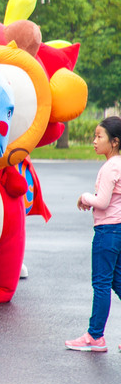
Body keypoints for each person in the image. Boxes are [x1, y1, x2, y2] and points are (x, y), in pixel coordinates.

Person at [66, 116, 121, 352]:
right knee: (117, 281)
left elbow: (103, 201)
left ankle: (95, 336)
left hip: (107, 231)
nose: (94, 141)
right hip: (117, 230)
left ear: (115, 142)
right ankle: (95, 335)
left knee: (101, 283)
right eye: (94, 136)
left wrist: (84, 197)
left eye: (100, 137)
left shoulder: (110, 167)